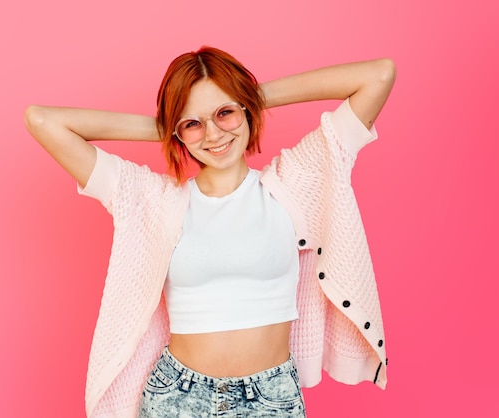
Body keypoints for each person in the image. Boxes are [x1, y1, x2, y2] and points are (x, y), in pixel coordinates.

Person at [25, 46, 395, 418]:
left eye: (226, 113)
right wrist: (169, 127)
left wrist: (248, 95)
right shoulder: (153, 201)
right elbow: (42, 121)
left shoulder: (293, 184)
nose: (214, 134)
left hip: (271, 397)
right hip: (177, 397)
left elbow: (378, 75)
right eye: (193, 124)